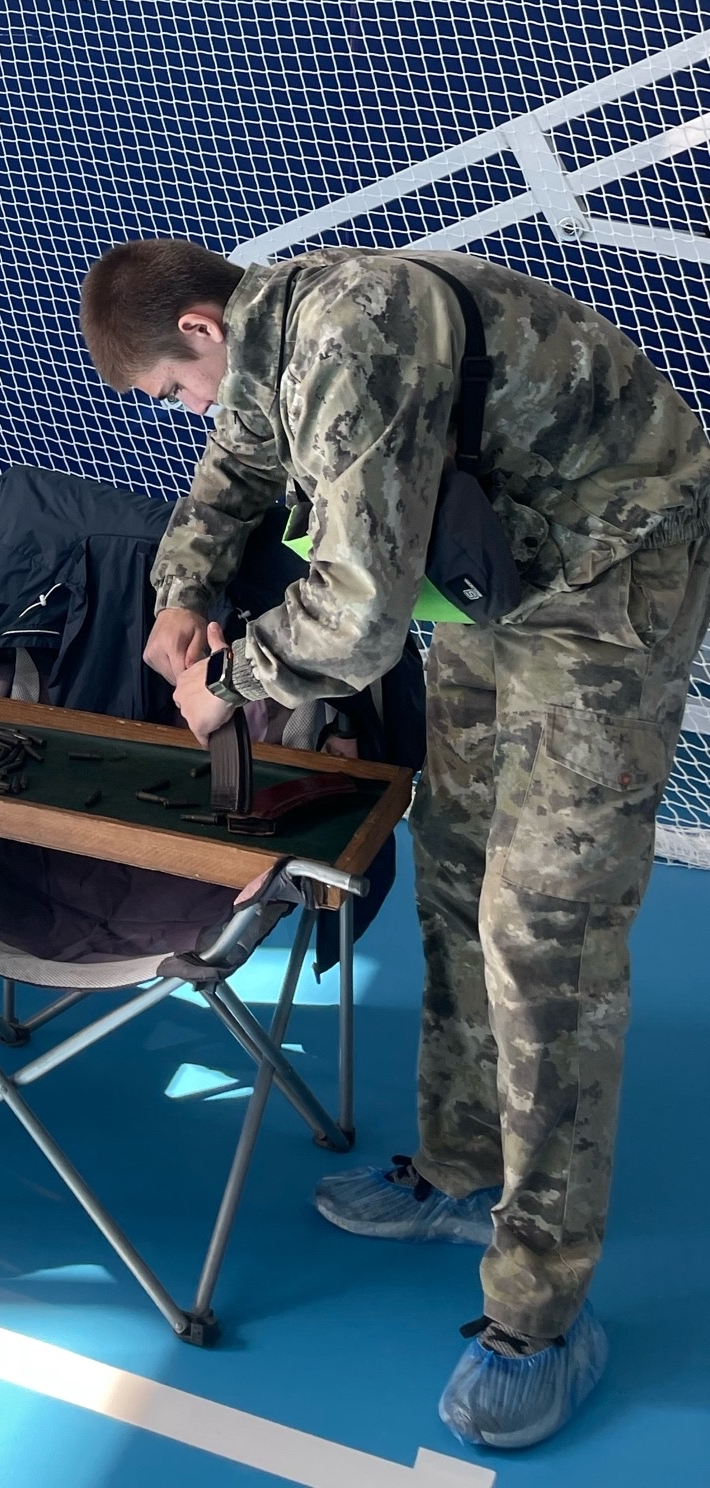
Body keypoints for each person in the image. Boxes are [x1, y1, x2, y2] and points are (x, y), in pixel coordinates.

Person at [79, 238, 710, 1453]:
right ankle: (463, 1164)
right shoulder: (269, 335)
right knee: (455, 864)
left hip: (615, 573)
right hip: (505, 571)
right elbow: (237, 461)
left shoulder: (349, 333)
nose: (185, 407)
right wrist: (183, 589)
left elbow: (362, 619)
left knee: (548, 934)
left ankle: (539, 1312)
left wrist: (231, 682)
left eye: (171, 386)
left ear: (203, 327)